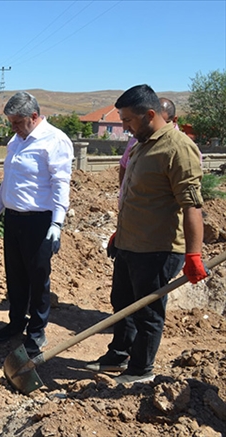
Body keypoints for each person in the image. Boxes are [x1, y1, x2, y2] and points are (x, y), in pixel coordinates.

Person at [86, 84, 207, 384]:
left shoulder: (177, 148)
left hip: (156, 249)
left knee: (148, 313)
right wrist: (120, 232)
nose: (125, 127)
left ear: (149, 114)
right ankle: (119, 355)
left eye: (128, 120)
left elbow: (192, 205)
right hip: (130, 243)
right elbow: (135, 195)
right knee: (122, 304)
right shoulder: (142, 142)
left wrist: (194, 254)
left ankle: (140, 371)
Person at [0, 91, 73, 357]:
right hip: (14, 219)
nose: (13, 128)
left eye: (17, 122)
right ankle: (15, 323)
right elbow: (9, 180)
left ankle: (36, 330)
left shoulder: (55, 141)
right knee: (15, 275)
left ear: (34, 117)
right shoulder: (17, 141)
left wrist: (57, 222)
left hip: (39, 221)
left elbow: (61, 183)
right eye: (10, 122)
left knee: (37, 277)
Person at [119, 97, 179, 186]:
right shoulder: (138, 138)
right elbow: (124, 166)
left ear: (174, 120)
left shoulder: (181, 147)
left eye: (162, 122)